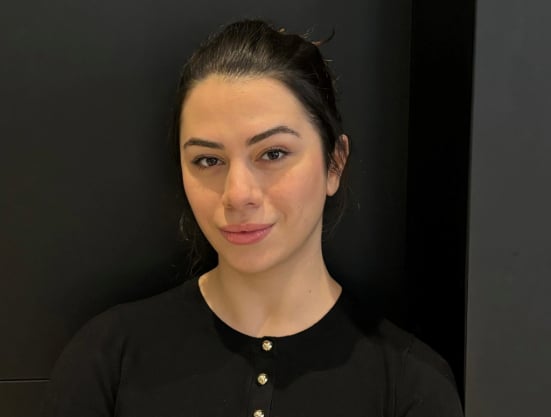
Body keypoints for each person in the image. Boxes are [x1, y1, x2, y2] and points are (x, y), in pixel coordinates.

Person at [42, 19, 463, 417]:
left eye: (273, 154)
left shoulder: (412, 386)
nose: (237, 194)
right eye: (208, 160)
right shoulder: (106, 360)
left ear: (334, 163)